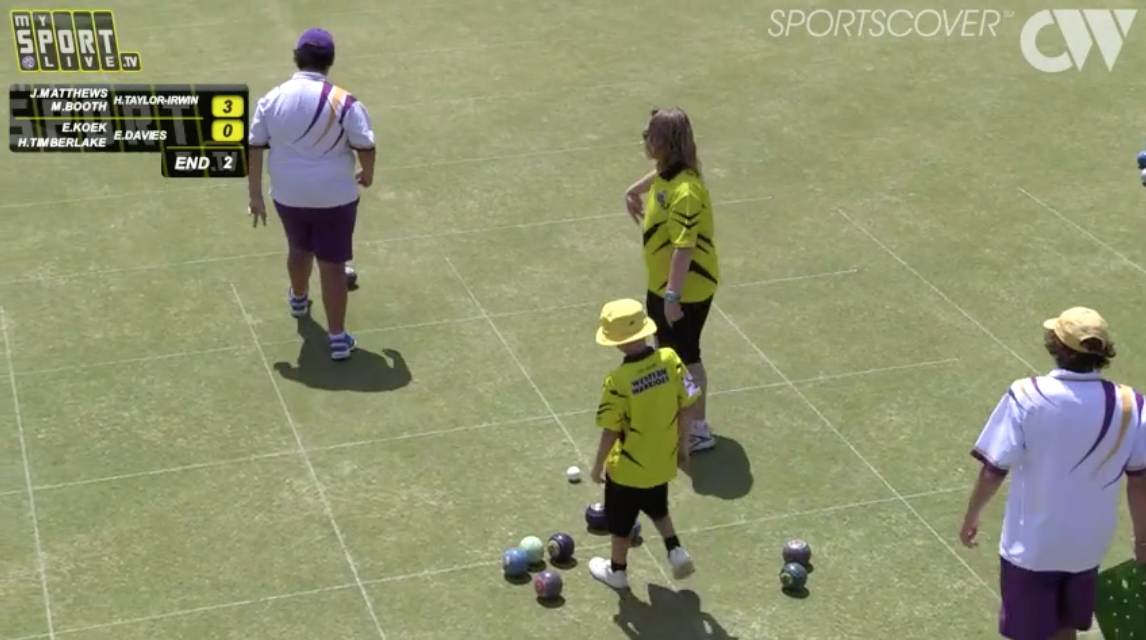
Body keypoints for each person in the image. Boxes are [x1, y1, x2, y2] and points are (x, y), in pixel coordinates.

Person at [959, 307, 1146, 640]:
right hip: (1088, 547)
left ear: (1057, 347)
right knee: (1065, 629)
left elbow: (993, 471)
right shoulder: (1131, 404)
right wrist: (1142, 539)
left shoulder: (1026, 395)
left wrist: (972, 514)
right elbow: (1140, 481)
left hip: (1032, 547)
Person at [247, 27, 375, 361]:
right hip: (335, 197)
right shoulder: (344, 101)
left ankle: (299, 298)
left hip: (288, 195)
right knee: (333, 265)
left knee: (299, 248)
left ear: (297, 58)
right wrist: (368, 174)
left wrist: (255, 195)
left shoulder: (272, 99)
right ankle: (337, 339)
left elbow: (254, 146)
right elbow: (365, 145)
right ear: (330, 61)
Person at [623, 108, 718, 453]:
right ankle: (677, 416)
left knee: (686, 355)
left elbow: (684, 248)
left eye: (649, 136)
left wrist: (673, 297)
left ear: (665, 143)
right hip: (663, 285)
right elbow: (657, 178)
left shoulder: (686, 191)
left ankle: (698, 428)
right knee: (666, 350)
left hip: (686, 290)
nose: (644, 140)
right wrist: (632, 191)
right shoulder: (668, 173)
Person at [587, 298, 698, 589]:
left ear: (618, 343)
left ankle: (617, 572)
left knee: (620, 524)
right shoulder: (670, 359)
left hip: (627, 469)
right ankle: (675, 550)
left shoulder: (617, 381)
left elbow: (611, 431)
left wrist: (597, 467)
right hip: (662, 460)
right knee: (657, 506)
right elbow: (688, 405)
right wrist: (682, 448)